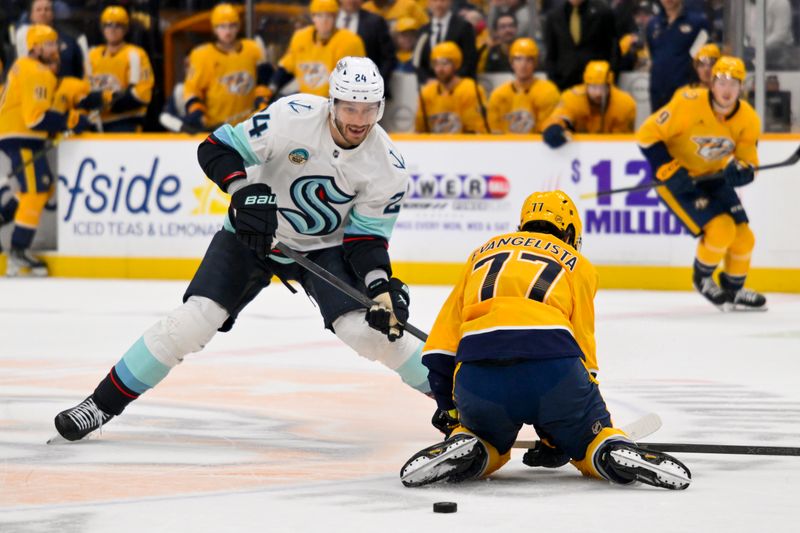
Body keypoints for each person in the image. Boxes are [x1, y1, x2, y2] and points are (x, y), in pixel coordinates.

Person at [52, 56, 432, 442]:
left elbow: (366, 240)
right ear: (332, 103)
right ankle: (99, 405)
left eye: (369, 109)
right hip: (250, 235)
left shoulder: (387, 166)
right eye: (350, 107)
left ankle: (454, 401)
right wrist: (242, 192)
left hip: (322, 249)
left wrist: (380, 288)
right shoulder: (292, 117)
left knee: (371, 333)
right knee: (194, 320)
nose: (359, 119)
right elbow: (215, 148)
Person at [399, 190, 692, 490]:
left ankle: (470, 443)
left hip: (479, 370)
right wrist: (560, 437)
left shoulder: (480, 254)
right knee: (588, 440)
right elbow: (585, 358)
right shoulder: (579, 264)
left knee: (486, 440)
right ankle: (609, 448)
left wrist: (450, 410)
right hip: (553, 365)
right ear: (569, 232)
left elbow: (439, 349)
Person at [637, 56, 766, 310]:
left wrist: (743, 172)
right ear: (712, 83)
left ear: (741, 87)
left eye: (734, 83)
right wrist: (668, 169)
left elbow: (748, 161)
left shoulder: (748, 118)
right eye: (722, 82)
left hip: (714, 178)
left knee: (744, 238)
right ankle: (703, 278)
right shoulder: (688, 103)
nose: (727, 90)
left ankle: (734, 290)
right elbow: (646, 136)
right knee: (721, 230)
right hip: (679, 181)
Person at [0, 25, 91, 276]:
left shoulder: (24, 66)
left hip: (17, 135)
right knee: (35, 190)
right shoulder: (36, 70)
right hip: (23, 137)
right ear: (34, 47)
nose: (55, 49)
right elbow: (36, 118)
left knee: (42, 186)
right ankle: (18, 252)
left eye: (55, 44)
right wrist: (71, 121)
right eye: (48, 44)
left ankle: (4, 216)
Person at [183, 3, 272, 131]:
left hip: (249, 126)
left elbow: (263, 81)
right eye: (222, 26)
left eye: (232, 25)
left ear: (238, 26)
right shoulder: (202, 55)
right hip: (216, 127)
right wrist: (196, 111)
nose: (228, 31)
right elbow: (192, 89)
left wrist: (263, 99)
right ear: (214, 29)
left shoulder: (253, 49)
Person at [267, 0, 365, 101]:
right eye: (319, 15)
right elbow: (286, 66)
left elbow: (354, 82)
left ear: (335, 18)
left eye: (329, 16)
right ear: (313, 18)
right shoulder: (301, 38)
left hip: (334, 101)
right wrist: (271, 88)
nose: (324, 21)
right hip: (306, 101)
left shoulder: (350, 42)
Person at [84, 6, 154, 132]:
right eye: (108, 25)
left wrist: (110, 102)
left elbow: (142, 94)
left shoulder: (136, 54)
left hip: (126, 122)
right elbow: (85, 88)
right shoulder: (92, 55)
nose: (112, 29)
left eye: (118, 25)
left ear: (126, 29)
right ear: (102, 28)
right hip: (95, 122)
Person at [542, 60, 636, 148]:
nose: (598, 93)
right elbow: (559, 116)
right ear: (586, 85)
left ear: (610, 86)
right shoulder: (572, 97)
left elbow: (623, 141)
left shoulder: (625, 103)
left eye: (603, 87)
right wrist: (554, 127)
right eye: (593, 87)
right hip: (577, 150)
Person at [646, 0, 709, 112]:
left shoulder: (697, 23)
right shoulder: (652, 24)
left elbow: (702, 57)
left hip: (685, 90)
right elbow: (653, 55)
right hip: (658, 91)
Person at [487, 37, 560, 134]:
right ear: (511, 63)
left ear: (535, 63)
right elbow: (494, 133)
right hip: (505, 143)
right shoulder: (498, 95)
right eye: (518, 59)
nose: (523, 65)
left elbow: (546, 131)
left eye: (529, 60)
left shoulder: (548, 91)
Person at [543, 0, 619, 91]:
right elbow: (551, 54)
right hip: (564, 85)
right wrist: (554, 82)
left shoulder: (603, 12)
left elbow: (613, 49)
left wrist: (609, 77)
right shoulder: (554, 16)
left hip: (596, 85)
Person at [415, 42, 488, 133]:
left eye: (445, 63)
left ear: (456, 64)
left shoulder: (470, 89)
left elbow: (475, 131)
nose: (440, 69)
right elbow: (420, 131)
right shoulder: (427, 92)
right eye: (436, 64)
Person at [337, 0, 397, 94]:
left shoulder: (376, 22)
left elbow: (388, 58)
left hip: (365, 90)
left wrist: (376, 86)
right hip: (330, 88)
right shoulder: (326, 18)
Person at [14, 0, 85, 79]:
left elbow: (78, 71)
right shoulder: (22, 40)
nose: (43, 13)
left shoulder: (69, 41)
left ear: (53, 14)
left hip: (64, 84)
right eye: (38, 10)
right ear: (31, 15)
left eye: (47, 9)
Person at [413, 0, 478, 82]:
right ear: (429, 3)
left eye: (443, 1)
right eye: (435, 1)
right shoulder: (423, 31)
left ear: (450, 2)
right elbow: (417, 61)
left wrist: (452, 81)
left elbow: (470, 60)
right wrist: (426, 79)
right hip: (431, 86)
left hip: (458, 84)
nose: (439, 4)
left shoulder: (464, 27)